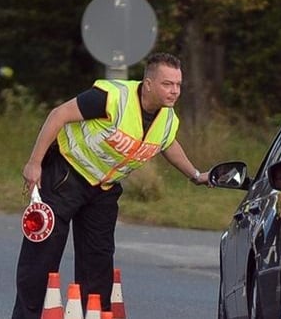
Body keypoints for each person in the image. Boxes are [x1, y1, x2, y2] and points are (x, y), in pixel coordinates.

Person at [11, 52, 210, 319]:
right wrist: (34, 163)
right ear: (148, 83)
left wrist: (195, 174)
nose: (174, 91)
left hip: (104, 189)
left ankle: (92, 315)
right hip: (66, 175)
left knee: (98, 262)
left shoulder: (167, 119)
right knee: (42, 257)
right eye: (167, 84)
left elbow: (168, 144)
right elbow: (59, 115)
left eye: (177, 85)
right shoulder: (112, 97)